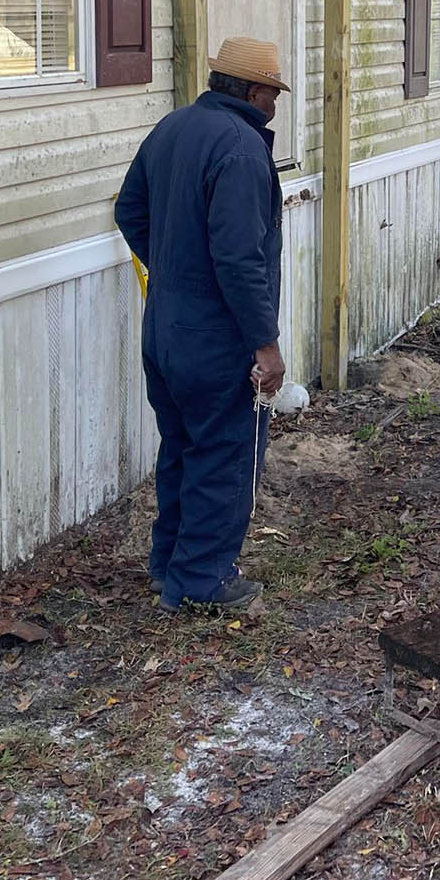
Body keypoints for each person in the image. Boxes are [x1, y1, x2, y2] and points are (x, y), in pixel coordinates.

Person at [115, 36, 288, 612]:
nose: (275, 106)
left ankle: (169, 566)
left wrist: (171, 270)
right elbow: (239, 260)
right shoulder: (240, 148)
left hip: (164, 325)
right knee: (225, 452)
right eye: (273, 94)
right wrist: (265, 345)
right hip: (215, 337)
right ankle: (202, 582)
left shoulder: (173, 127)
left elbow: (129, 210)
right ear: (254, 91)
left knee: (182, 446)